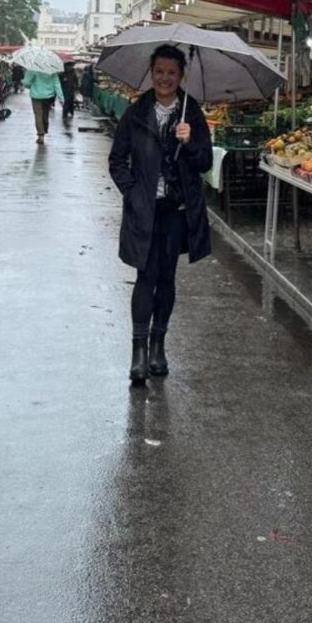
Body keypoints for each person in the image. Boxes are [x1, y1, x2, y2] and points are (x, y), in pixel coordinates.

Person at [108, 45, 212, 383]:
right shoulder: (136, 113)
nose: (165, 78)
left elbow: (205, 163)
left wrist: (191, 139)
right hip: (144, 211)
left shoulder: (190, 112)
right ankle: (138, 351)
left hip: (176, 211)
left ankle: (158, 346)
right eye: (159, 72)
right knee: (145, 276)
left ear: (181, 75)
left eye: (172, 72)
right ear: (151, 73)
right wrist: (134, 192)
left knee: (167, 277)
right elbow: (117, 160)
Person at [23, 68, 64, 144]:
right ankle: (44, 130)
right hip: (48, 96)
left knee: (38, 115)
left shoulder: (32, 69)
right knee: (45, 114)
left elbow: (26, 83)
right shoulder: (52, 70)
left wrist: (31, 85)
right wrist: (61, 98)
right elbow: (56, 84)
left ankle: (40, 135)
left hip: (36, 96)